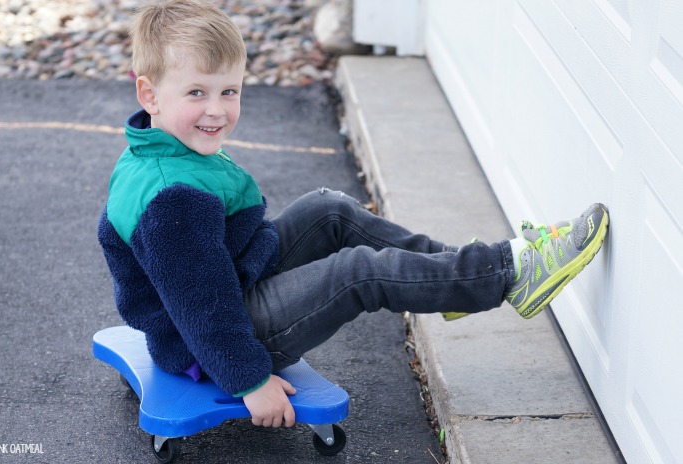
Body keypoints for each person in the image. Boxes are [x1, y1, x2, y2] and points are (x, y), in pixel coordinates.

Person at [97, 0, 609, 430]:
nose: (217, 110)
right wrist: (250, 381)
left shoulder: (161, 144)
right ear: (149, 94)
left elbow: (206, 275)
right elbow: (202, 305)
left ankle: (459, 273)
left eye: (229, 91)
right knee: (357, 271)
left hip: (233, 284)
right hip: (218, 338)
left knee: (329, 209)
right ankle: (508, 273)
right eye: (197, 93)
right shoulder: (172, 200)